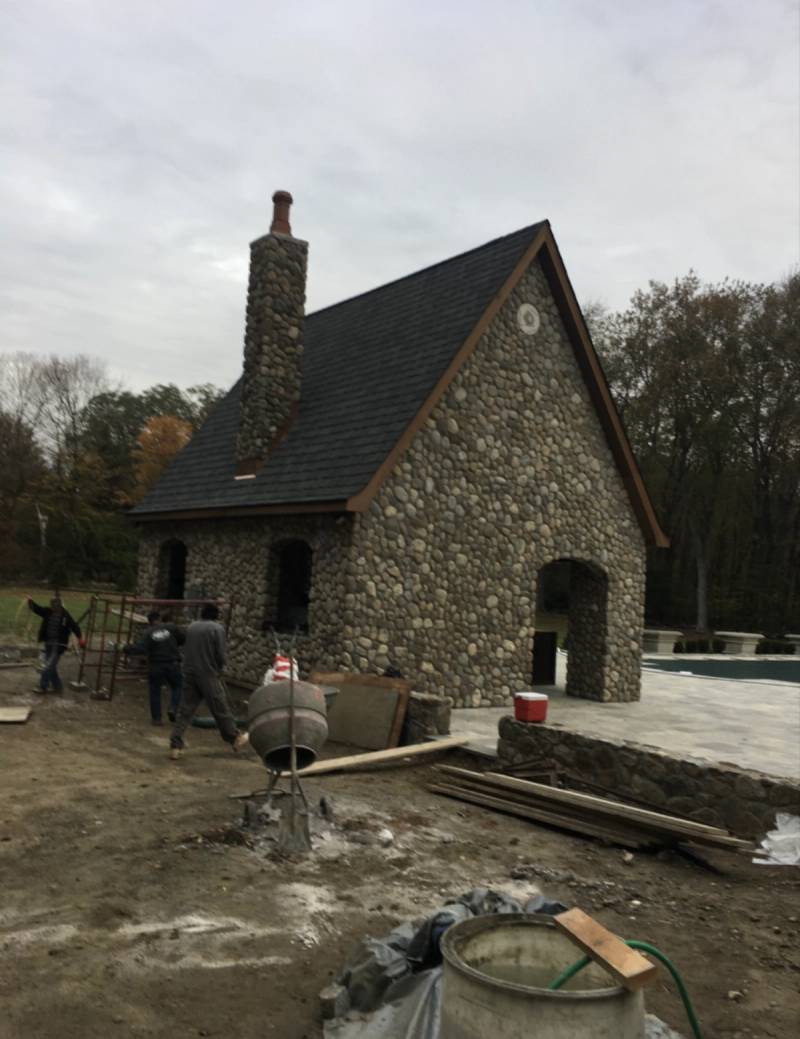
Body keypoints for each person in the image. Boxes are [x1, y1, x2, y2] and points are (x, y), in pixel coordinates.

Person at [168, 604, 248, 760]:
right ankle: (234, 737)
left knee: (185, 710)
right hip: (208, 673)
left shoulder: (191, 627)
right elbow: (220, 654)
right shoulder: (217, 629)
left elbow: (185, 647)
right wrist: (220, 667)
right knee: (220, 707)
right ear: (216, 615)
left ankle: (175, 744)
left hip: (189, 672)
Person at [125, 610, 185, 725]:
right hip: (173, 663)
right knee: (177, 686)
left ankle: (157, 718)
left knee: (155, 690)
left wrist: (126, 648)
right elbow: (182, 639)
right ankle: (173, 707)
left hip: (156, 665)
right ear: (159, 619)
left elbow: (141, 648)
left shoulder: (148, 633)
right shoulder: (171, 627)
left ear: (149, 622)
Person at [27, 595, 82, 694]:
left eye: (55, 605)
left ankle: (43, 686)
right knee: (51, 666)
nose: (53, 606)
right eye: (52, 604)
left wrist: (80, 638)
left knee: (48, 665)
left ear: (60, 605)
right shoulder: (48, 612)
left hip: (59, 645)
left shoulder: (65, 616)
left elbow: (75, 627)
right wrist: (30, 601)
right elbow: (37, 609)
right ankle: (58, 687)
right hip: (48, 643)